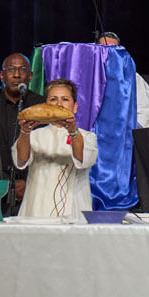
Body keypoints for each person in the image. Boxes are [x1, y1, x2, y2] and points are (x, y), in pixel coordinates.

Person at [13, 78, 98, 217]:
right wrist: (25, 131)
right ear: (46, 105)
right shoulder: (34, 135)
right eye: (53, 99)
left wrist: (72, 130)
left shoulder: (87, 137)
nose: (59, 103)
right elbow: (21, 160)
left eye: (65, 99)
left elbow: (83, 159)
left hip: (74, 211)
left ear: (75, 106)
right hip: (37, 209)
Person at [0, 53, 45, 212]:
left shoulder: (42, 107)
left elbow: (46, 152)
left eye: (22, 70)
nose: (17, 75)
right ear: (2, 75)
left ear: (30, 76)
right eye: (11, 69)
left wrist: (27, 182)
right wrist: (7, 185)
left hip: (36, 192)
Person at [97, 32, 149, 128]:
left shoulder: (132, 78)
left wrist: (130, 131)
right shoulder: (87, 76)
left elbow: (147, 113)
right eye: (104, 48)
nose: (108, 53)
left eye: (113, 49)